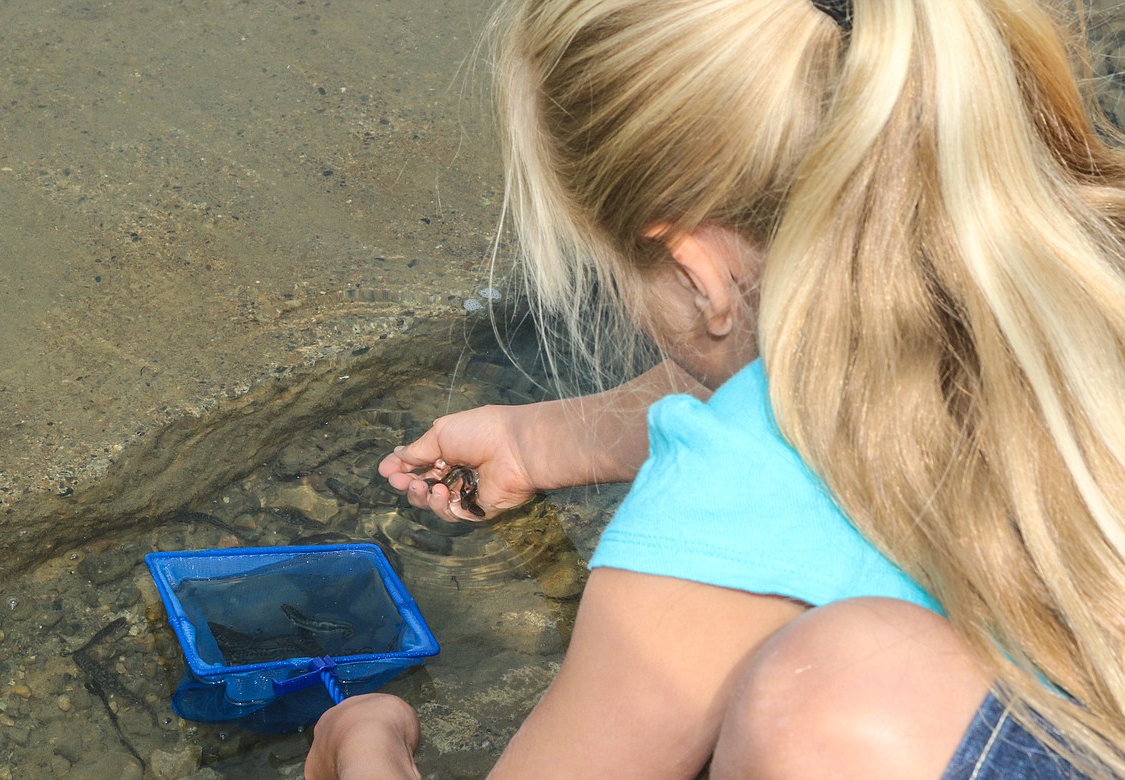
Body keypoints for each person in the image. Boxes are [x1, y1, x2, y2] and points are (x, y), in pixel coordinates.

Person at [305, 0, 1125, 777]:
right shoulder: (1078, 251)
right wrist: (539, 441)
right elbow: (830, 382)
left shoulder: (725, 498)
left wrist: (365, 741)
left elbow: (774, 442)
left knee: (824, 709)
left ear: (699, 275)